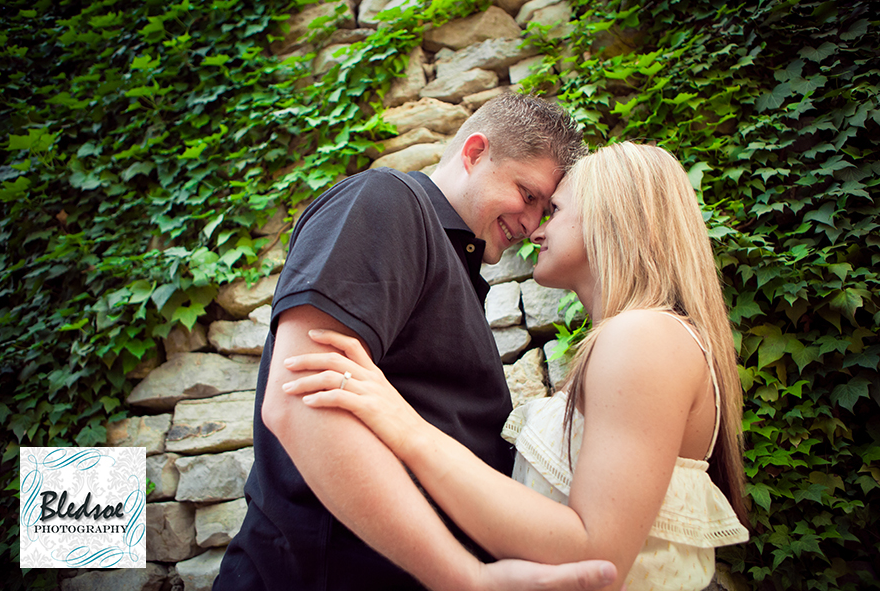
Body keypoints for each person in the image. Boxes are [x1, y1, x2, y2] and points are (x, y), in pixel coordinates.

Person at [282, 142, 750, 590]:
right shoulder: (642, 339)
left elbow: (596, 554)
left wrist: (407, 428)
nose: (536, 230)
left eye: (555, 211)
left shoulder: (643, 336)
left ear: (615, 218)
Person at [213, 93, 620, 591]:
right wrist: (465, 578)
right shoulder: (387, 202)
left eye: (546, 208)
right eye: (527, 194)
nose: (531, 225)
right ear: (474, 153)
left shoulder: (459, 267)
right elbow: (300, 403)